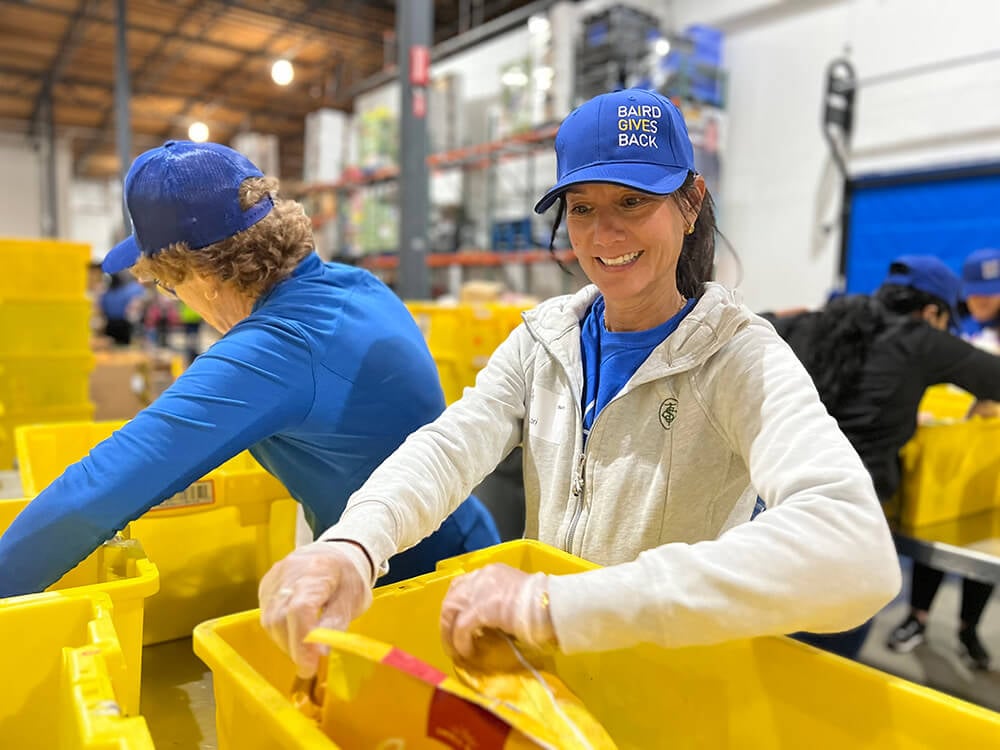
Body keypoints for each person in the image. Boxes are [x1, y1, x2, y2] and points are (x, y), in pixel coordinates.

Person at [258, 88, 901, 678]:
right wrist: (351, 544)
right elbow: (450, 447)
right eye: (583, 208)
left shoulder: (738, 357)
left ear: (691, 201)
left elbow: (855, 551)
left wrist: (555, 605)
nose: (604, 234)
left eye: (632, 202)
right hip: (555, 673)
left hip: (672, 681)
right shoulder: (545, 340)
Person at [0, 140, 499, 599]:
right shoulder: (355, 284)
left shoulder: (276, 348)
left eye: (168, 284)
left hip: (414, 592)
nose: (173, 296)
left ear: (199, 274)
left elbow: (99, 487)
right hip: (463, 548)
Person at [767, 255, 1000, 667]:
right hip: (846, 527)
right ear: (932, 311)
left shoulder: (825, 321)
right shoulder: (919, 337)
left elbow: (746, 327)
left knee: (772, 648)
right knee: (828, 668)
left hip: (772, 508)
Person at [873, 251, 1000, 670]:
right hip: (946, 446)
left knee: (982, 543)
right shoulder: (947, 324)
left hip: (989, 458)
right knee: (932, 539)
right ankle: (918, 618)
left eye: (992, 294)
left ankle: (968, 630)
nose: (984, 302)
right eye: (978, 294)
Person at [98, 271, 146, 345]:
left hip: (111, 323)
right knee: (123, 347)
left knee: (111, 347)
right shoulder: (127, 291)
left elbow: (102, 309)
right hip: (122, 323)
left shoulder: (106, 294)